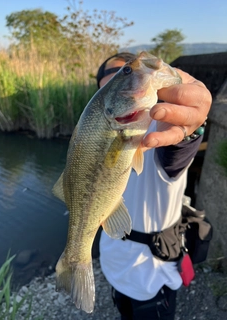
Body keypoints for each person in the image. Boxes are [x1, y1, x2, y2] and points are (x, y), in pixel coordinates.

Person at [96, 52, 212, 320]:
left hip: (152, 274)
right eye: (116, 77)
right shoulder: (90, 141)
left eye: (127, 72)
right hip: (113, 263)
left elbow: (178, 149)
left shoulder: (160, 131)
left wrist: (193, 128)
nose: (129, 77)